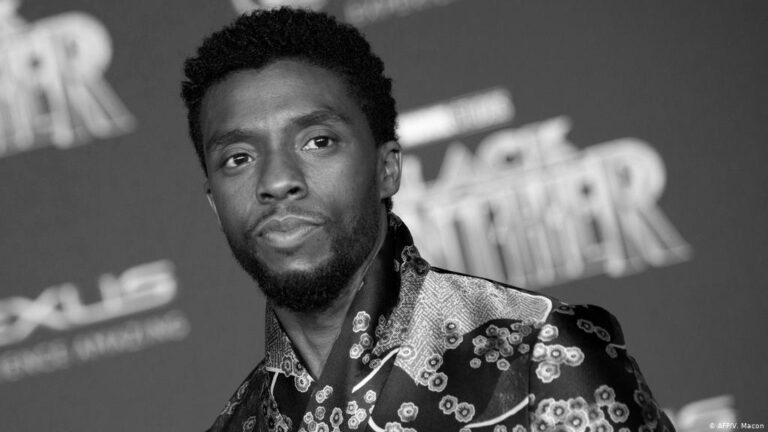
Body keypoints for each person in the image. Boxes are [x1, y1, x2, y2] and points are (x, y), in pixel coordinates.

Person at [181, 8, 675, 432]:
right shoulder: (237, 423)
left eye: (317, 141)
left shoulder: (542, 353)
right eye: (239, 158)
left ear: (387, 169)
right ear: (214, 205)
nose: (277, 180)